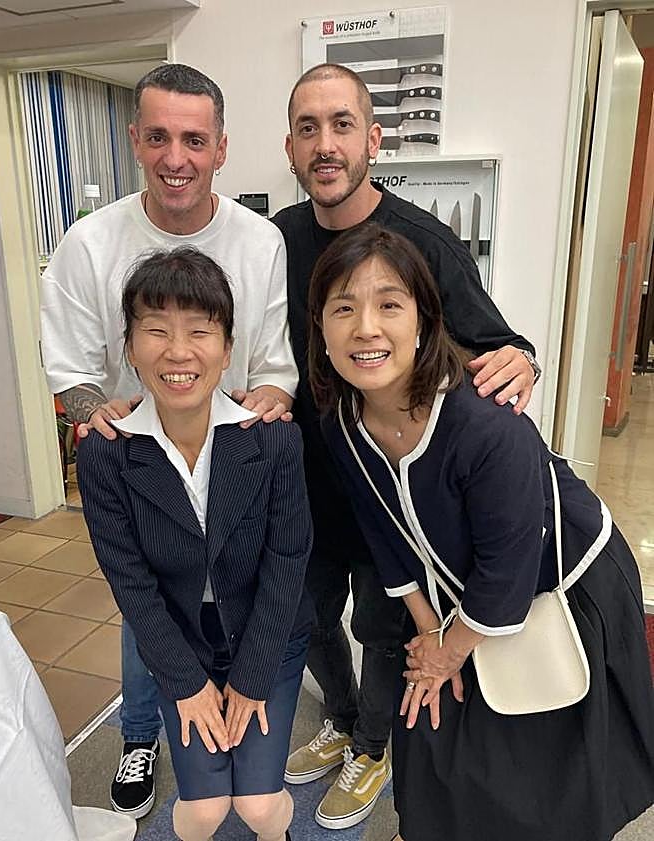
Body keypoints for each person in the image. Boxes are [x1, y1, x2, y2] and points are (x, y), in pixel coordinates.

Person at [307, 221, 654, 841]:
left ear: (424, 321)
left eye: (390, 304)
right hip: (455, 600)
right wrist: (428, 635)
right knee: (440, 744)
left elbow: (508, 574)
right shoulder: (343, 425)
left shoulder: (484, 424)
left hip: (564, 586)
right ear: (322, 330)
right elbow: (385, 538)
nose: (366, 327)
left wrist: (449, 650)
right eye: (343, 308)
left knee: (548, 771)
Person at [271, 62, 540, 829]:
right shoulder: (275, 240)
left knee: (383, 625)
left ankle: (374, 745)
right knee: (307, 617)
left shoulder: (421, 242)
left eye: (342, 125)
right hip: (306, 482)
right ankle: (345, 717)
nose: (325, 145)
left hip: (392, 488)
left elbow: (497, 345)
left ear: (373, 139)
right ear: (289, 147)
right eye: (308, 128)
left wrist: (524, 354)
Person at [40, 64, 297, 818]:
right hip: (145, 454)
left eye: (193, 139)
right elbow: (70, 375)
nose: (174, 156)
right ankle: (141, 734)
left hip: (237, 453)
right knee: (149, 603)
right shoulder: (90, 243)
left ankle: (250, 717)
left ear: (221, 147)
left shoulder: (259, 241)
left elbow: (274, 362)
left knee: (251, 600)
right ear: (133, 140)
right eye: (157, 137)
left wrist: (266, 408)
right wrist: (104, 417)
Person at [77, 247, 312, 841]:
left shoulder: (273, 441)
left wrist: (252, 676)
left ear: (228, 348)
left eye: (199, 331)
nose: (178, 352)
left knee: (258, 806)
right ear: (130, 347)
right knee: (205, 811)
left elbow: (288, 563)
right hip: (180, 639)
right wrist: (186, 684)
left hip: (268, 634)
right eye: (155, 330)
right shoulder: (106, 451)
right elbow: (130, 583)